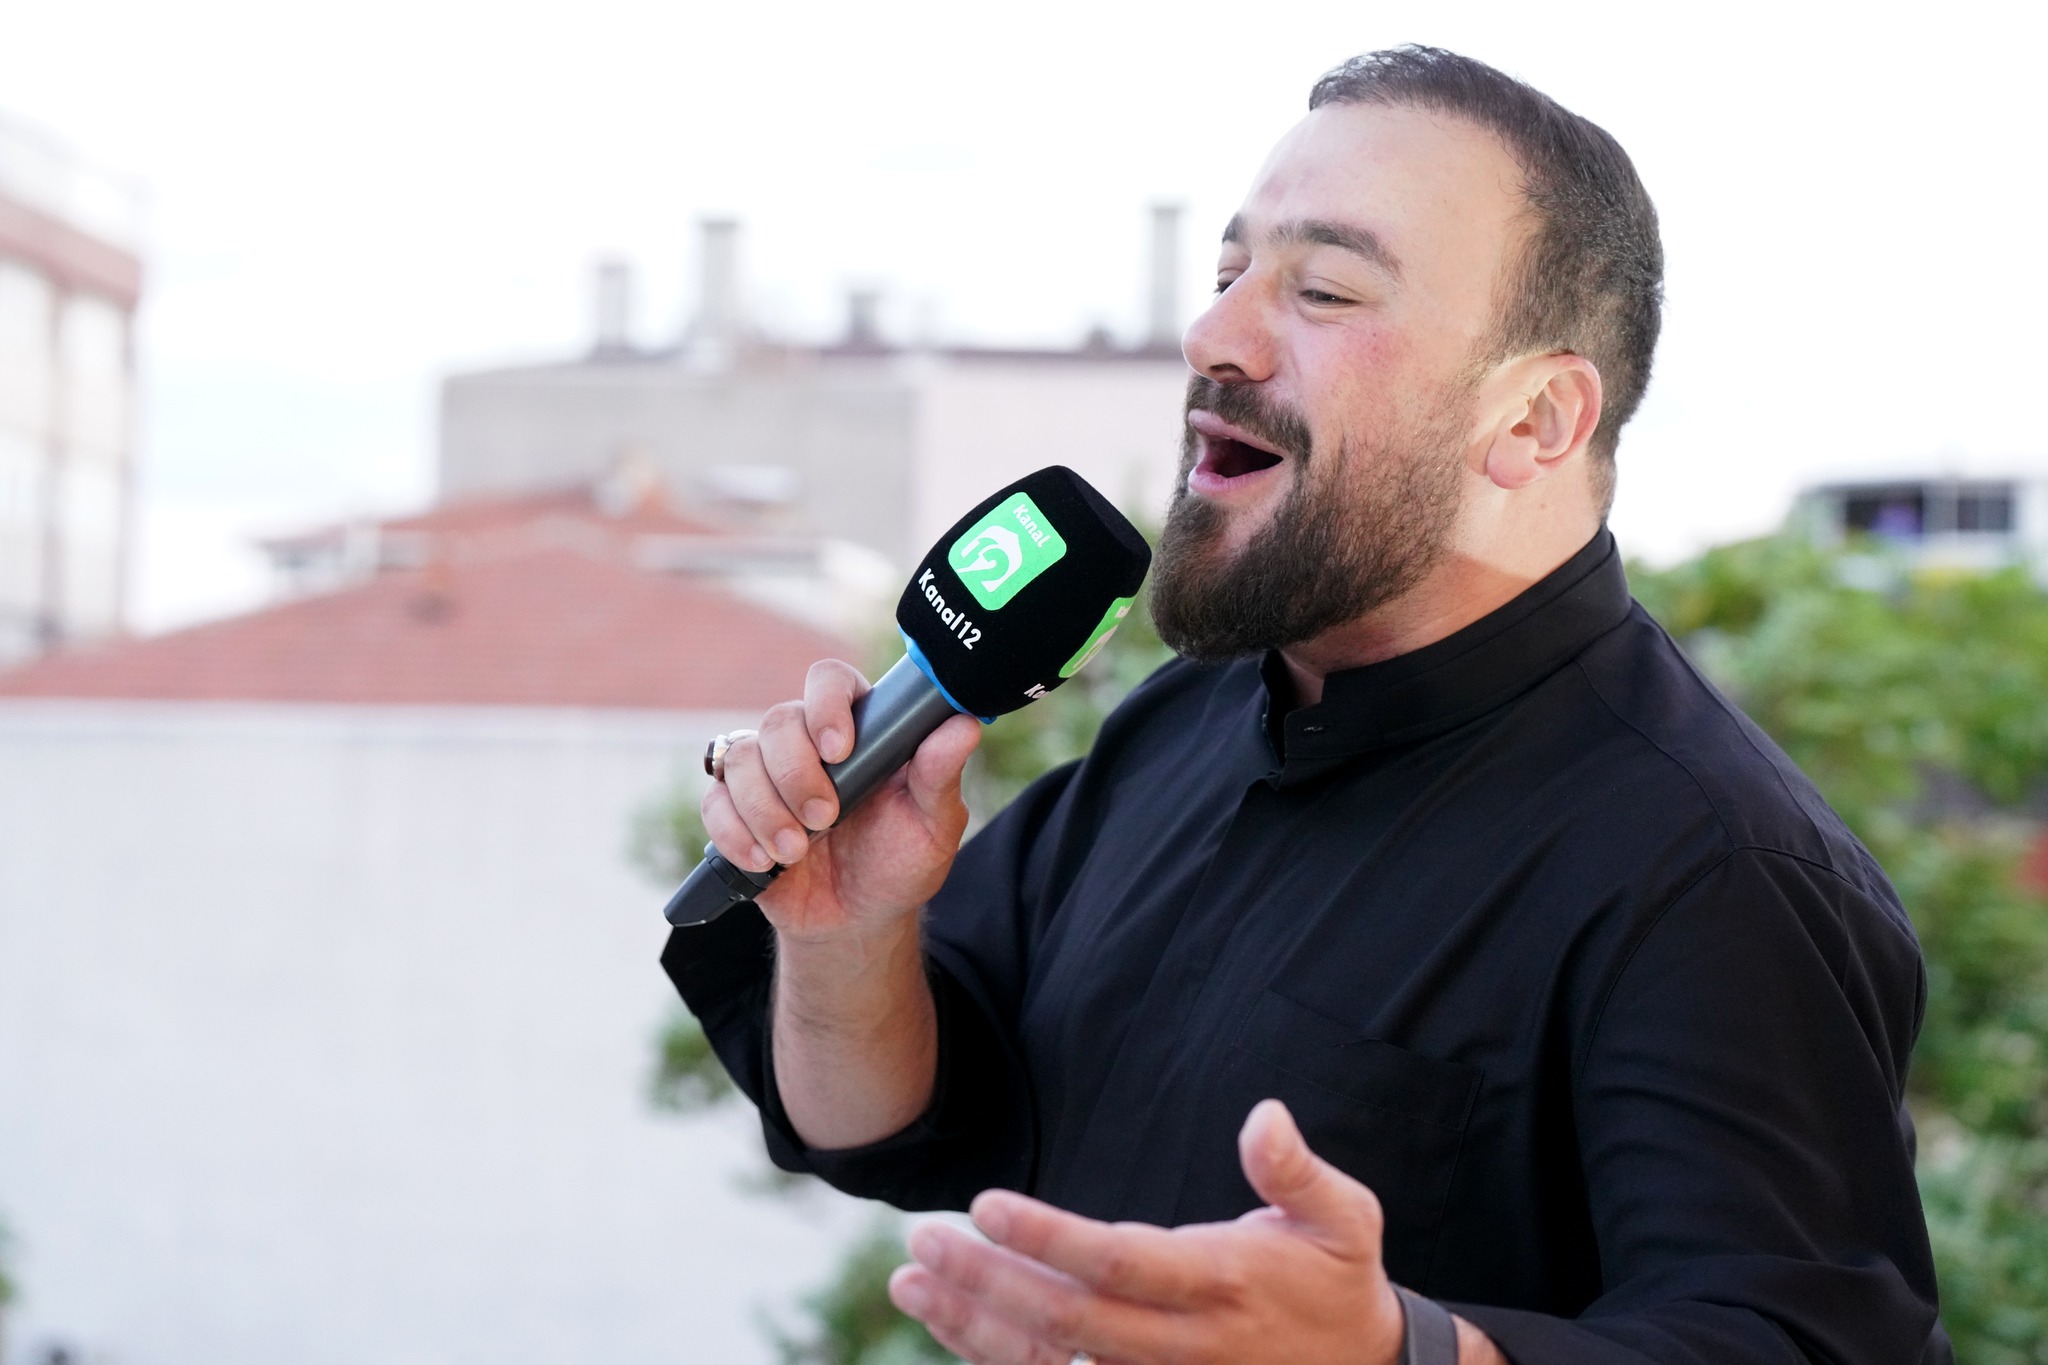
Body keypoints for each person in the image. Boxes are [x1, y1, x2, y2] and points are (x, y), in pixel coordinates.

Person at [665, 45, 1949, 1365]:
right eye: (1228, 276)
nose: (1215, 336)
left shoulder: (1713, 868)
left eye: (1325, 289)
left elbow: (1805, 1342)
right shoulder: (1183, 723)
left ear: (1536, 420)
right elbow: (898, 1114)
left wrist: (1407, 1350)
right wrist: (847, 938)